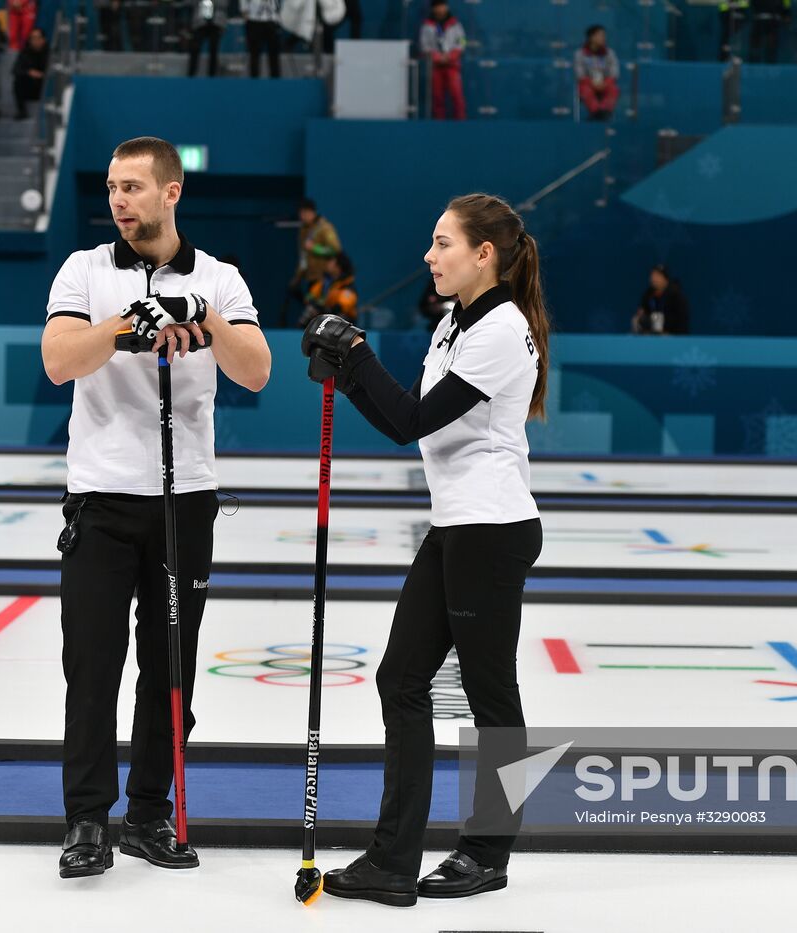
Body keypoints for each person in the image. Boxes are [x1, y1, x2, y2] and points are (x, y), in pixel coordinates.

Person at [301, 192, 546, 908]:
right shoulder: (452, 325)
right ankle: (393, 858)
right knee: (400, 679)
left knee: (489, 689)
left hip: (491, 530)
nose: (428, 256)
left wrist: (357, 353)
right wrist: (345, 371)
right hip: (457, 527)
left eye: (442, 243)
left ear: (484, 254)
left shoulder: (501, 329)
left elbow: (412, 420)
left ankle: (487, 851)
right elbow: (406, 422)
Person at [41, 135, 270, 880]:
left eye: (134, 187)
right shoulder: (83, 270)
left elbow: (258, 371)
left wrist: (205, 315)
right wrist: (122, 326)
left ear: (172, 192)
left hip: (186, 500)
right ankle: (86, 820)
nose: (119, 200)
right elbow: (56, 360)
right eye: (113, 187)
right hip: (102, 498)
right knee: (92, 664)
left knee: (168, 669)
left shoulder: (221, 277)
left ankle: (147, 813)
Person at [287, 196, 340, 324]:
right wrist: (298, 277)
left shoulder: (324, 228)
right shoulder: (303, 230)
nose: (302, 216)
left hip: (324, 278)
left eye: (304, 213)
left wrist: (316, 248)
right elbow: (303, 255)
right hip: (310, 277)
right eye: (300, 213)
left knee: (320, 311)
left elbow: (335, 249)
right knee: (306, 303)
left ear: (311, 212)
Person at [420, 0, 465, 120]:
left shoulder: (455, 24)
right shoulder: (427, 25)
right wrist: (437, 56)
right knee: (437, 97)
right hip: (436, 67)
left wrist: (452, 55)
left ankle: (461, 124)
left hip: (452, 65)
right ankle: (438, 125)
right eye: (437, 6)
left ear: (446, 7)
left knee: (457, 95)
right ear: (433, 8)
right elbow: (424, 45)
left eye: (442, 6)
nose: (440, 9)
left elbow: (462, 41)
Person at [298, 249, 357, 326]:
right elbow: (310, 297)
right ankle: (302, 334)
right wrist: (312, 301)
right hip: (325, 315)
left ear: (338, 266)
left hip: (342, 320)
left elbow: (342, 306)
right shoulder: (324, 282)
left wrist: (325, 309)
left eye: (330, 261)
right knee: (310, 310)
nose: (327, 264)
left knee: (340, 318)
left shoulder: (347, 284)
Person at [574, 25, 618, 122]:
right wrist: (592, 83)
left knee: (613, 89)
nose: (603, 38)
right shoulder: (580, 54)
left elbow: (614, 72)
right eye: (600, 35)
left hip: (605, 83)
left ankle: (605, 111)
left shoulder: (610, 53)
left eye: (604, 36)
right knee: (584, 89)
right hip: (587, 83)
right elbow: (579, 73)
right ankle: (596, 112)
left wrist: (605, 83)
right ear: (592, 37)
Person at [632, 264, 689, 335]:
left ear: (665, 279)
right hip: (651, 337)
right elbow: (641, 314)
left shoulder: (676, 296)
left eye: (657, 276)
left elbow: (682, 323)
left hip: (673, 338)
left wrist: (669, 335)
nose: (653, 279)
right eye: (652, 276)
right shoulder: (648, 295)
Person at [11, 26, 45, 118]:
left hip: (45, 85)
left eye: (38, 38)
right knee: (18, 81)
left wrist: (42, 75)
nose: (36, 41)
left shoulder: (49, 53)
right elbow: (15, 70)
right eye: (33, 38)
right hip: (30, 86)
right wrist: (29, 72)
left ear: (43, 40)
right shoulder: (25, 52)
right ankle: (22, 111)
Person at [186, 0, 226, 77]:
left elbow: (225, 3)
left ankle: (212, 76)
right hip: (199, 22)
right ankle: (191, 76)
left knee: (214, 50)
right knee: (195, 48)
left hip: (216, 23)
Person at [241, 0, 280, 78]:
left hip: (272, 19)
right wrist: (244, 10)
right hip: (254, 19)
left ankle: (276, 84)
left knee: (274, 55)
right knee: (254, 54)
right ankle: (254, 84)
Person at [748, 0, 788, 64]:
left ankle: (770, 62)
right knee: (756, 44)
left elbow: (783, 7)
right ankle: (754, 61)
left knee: (771, 43)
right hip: (760, 20)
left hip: (772, 21)